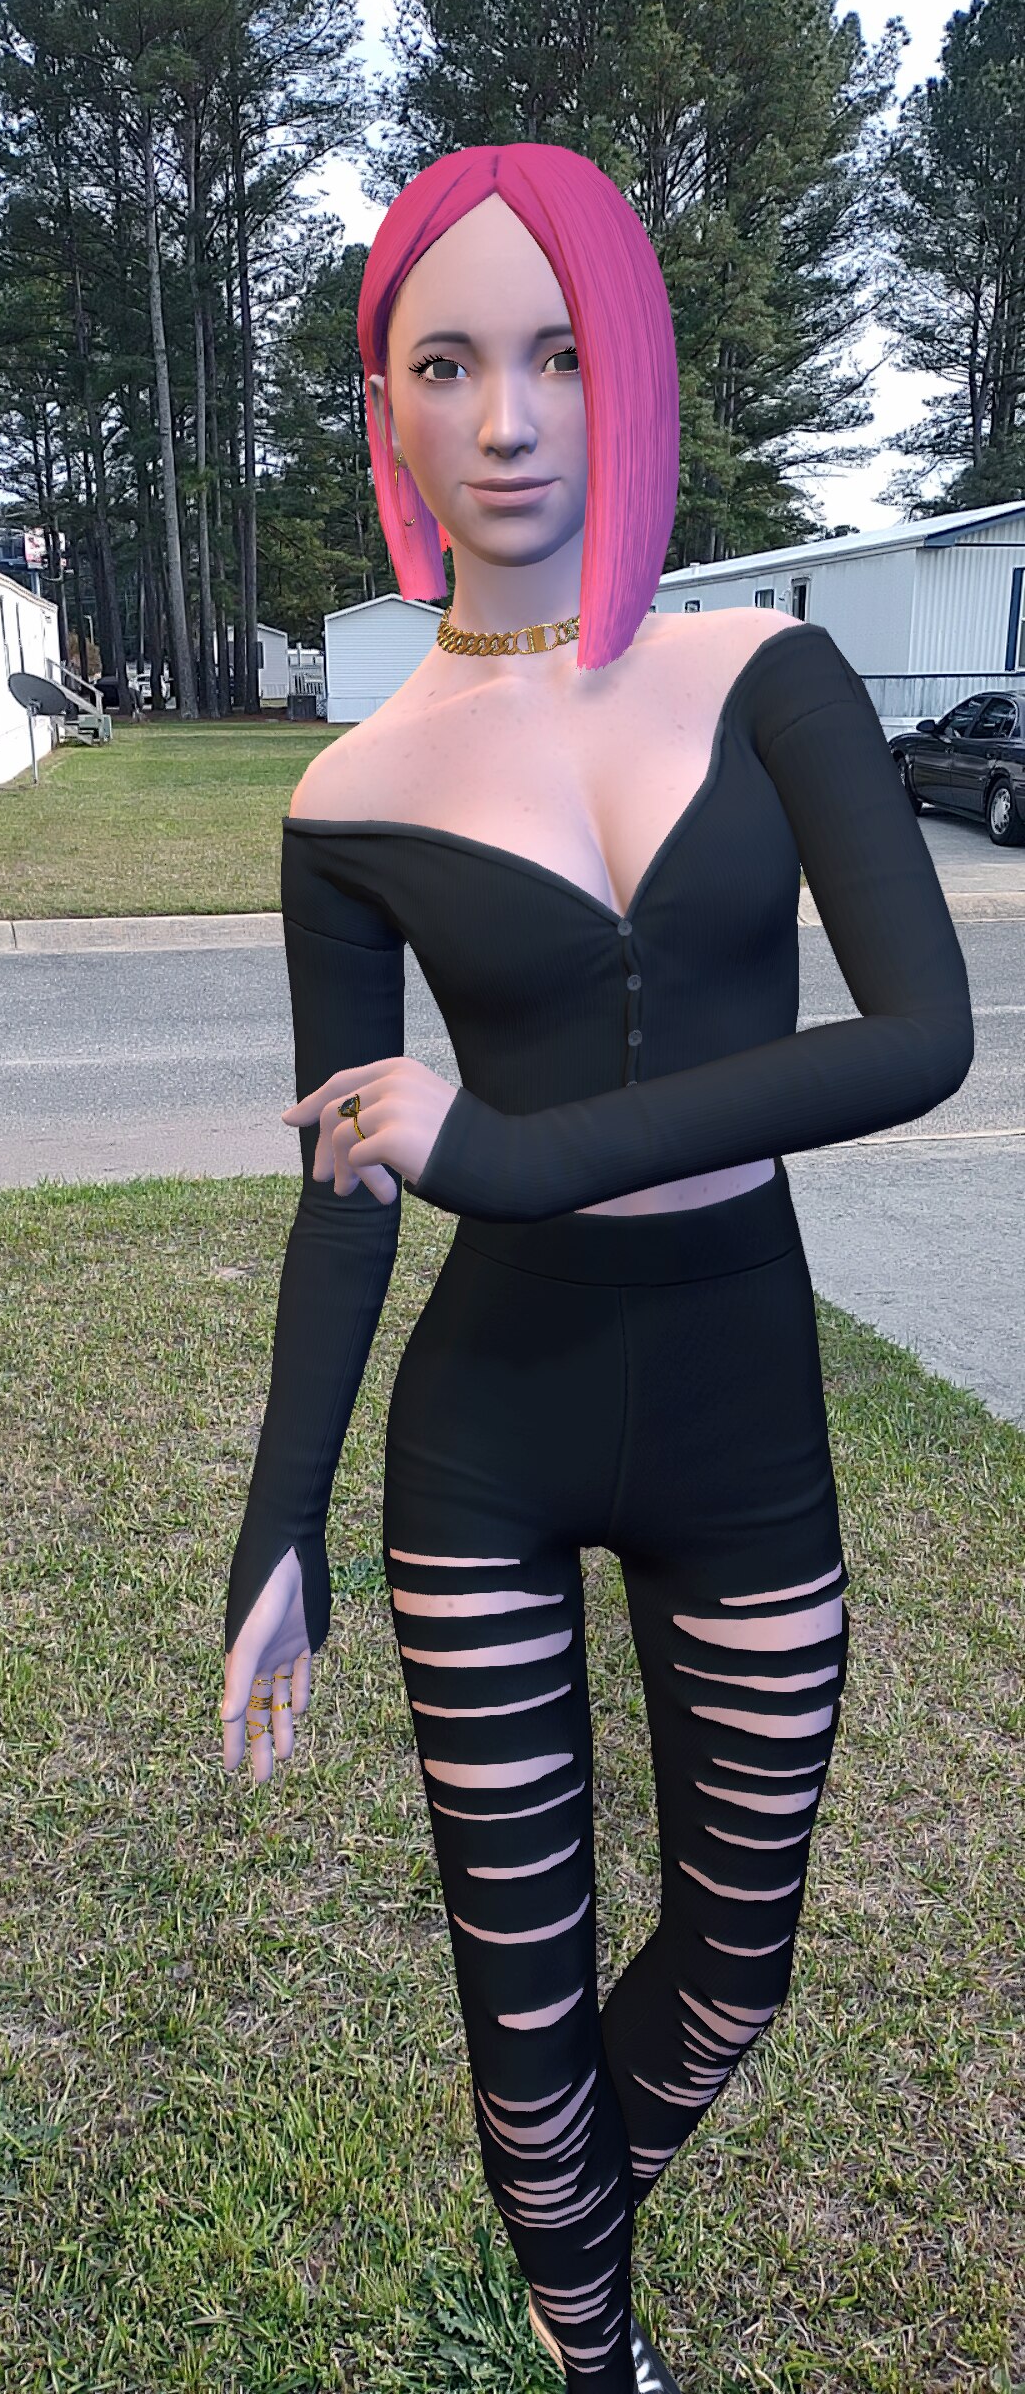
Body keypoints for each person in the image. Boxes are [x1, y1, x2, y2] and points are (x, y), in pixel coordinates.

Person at [219, 145, 974, 2394]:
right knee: (523, 2012)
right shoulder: (347, 793)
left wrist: (515, 1150)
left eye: (557, 354)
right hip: (488, 1435)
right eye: (445, 363)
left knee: (737, 1966)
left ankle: (559, 2238)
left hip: (739, 1402)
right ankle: (597, 2355)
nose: (509, 419)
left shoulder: (771, 674)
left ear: (626, 369)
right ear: (386, 407)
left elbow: (919, 1038)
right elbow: (348, 1183)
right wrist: (279, 1526)